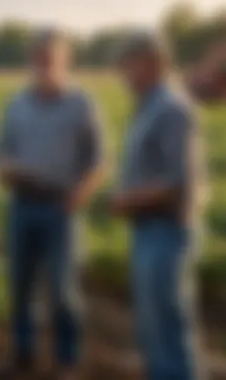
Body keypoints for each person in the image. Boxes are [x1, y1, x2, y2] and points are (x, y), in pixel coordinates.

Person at [0, 29, 105, 380]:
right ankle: (22, 354)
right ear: (31, 62)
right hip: (22, 204)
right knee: (20, 285)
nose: (44, 65)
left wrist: (80, 194)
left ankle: (67, 361)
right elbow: (1, 156)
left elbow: (100, 161)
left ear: (65, 61)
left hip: (62, 207)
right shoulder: (16, 105)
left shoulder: (82, 104)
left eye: (51, 58)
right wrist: (6, 170)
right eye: (39, 58)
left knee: (62, 290)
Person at [111, 31, 208, 380]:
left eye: (128, 65)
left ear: (152, 64)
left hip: (165, 230)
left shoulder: (170, 108)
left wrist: (126, 199)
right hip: (149, 229)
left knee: (168, 323)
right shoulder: (149, 105)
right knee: (154, 322)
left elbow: (173, 181)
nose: (123, 74)